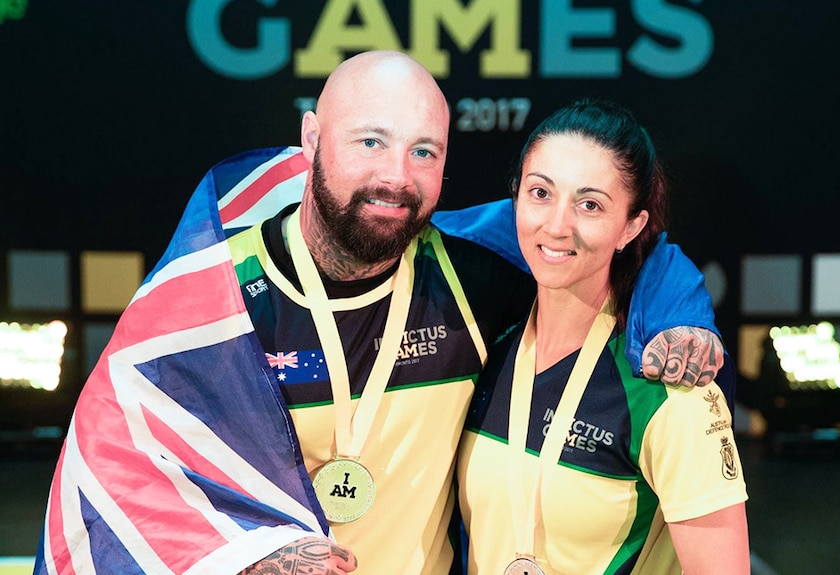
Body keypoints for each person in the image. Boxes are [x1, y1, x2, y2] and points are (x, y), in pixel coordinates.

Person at [35, 52, 724, 575]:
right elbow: (122, 468)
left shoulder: (472, 275)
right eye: (371, 141)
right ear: (310, 139)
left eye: (423, 151)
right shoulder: (214, 295)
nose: (397, 175)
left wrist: (679, 308)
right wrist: (241, 556)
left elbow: (609, 250)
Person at [456, 98, 749, 575]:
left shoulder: (670, 386)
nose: (556, 225)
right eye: (540, 193)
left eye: (589, 204)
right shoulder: (487, 352)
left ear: (632, 227)